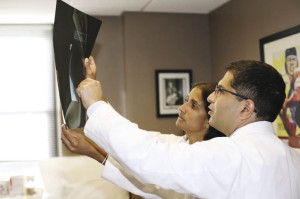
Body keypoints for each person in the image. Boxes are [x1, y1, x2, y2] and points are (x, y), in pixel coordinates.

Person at [74, 60, 300, 198]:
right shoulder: (292, 157)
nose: (211, 97)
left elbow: (151, 158)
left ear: (246, 108)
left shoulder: (231, 155)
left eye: (221, 91)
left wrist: (96, 105)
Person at [61, 56, 225, 199]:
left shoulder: (207, 161)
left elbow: (140, 160)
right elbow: (129, 141)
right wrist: (93, 89)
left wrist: (94, 106)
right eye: (186, 100)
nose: (182, 107)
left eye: (193, 105)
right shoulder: (176, 144)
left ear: (210, 118)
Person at [279, 47, 300, 136]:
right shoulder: (288, 90)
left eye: (293, 59)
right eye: (289, 60)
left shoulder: (298, 73)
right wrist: (282, 114)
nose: (291, 62)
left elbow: (298, 94)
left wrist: (284, 104)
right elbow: (292, 131)